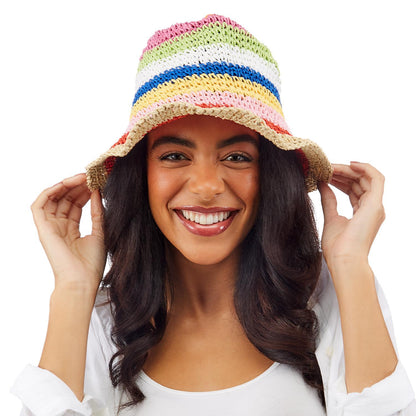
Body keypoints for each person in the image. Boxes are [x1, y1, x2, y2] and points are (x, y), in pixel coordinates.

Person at [11, 14, 415, 416]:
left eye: (237, 157)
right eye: (174, 156)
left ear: (269, 175)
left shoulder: (332, 297)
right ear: (141, 176)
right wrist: (72, 290)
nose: (207, 187)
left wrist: (350, 264)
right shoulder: (99, 323)